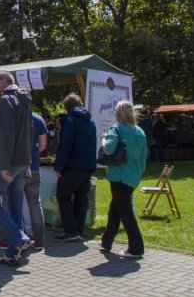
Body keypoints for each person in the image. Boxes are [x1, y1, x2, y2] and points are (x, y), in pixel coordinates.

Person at [0, 70, 34, 266]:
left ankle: (20, 240)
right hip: (21, 161)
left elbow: (6, 133)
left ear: (4, 82)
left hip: (6, 161)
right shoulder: (24, 100)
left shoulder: (6, 100)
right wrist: (27, 161)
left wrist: (3, 164)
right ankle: (14, 252)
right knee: (14, 205)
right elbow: (30, 133)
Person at [99, 101, 147, 258]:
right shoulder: (140, 132)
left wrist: (103, 138)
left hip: (119, 177)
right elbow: (143, 158)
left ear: (118, 114)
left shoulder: (116, 129)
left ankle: (136, 248)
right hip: (133, 177)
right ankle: (106, 242)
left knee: (125, 213)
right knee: (115, 210)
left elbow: (108, 149)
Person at [53, 93, 97, 242]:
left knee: (63, 196)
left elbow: (66, 147)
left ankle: (71, 230)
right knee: (81, 197)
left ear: (67, 107)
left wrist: (59, 167)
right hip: (88, 166)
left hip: (73, 167)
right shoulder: (90, 121)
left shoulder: (70, 121)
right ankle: (78, 229)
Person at [24, 113, 48, 249]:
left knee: (13, 204)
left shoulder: (14, 117)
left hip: (18, 168)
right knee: (35, 204)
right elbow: (43, 144)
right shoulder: (38, 119)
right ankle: (39, 240)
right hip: (34, 168)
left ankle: (14, 238)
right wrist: (34, 154)